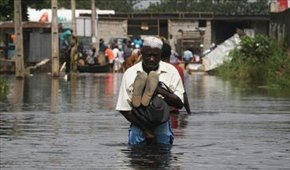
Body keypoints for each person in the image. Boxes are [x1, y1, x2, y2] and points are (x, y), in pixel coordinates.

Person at [116, 36, 184, 145]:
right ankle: (141, 96)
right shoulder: (130, 73)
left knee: (158, 103)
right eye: (148, 55)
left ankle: (150, 92)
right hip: (139, 123)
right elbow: (123, 108)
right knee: (157, 155)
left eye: (155, 56)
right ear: (142, 53)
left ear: (160, 55)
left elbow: (180, 104)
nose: (151, 59)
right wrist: (146, 130)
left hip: (161, 122)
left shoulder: (171, 71)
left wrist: (159, 90)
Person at [161, 42, 191, 114]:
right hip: (173, 111)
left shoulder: (154, 68)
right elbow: (183, 92)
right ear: (170, 54)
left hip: (157, 111)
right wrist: (188, 112)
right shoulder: (178, 69)